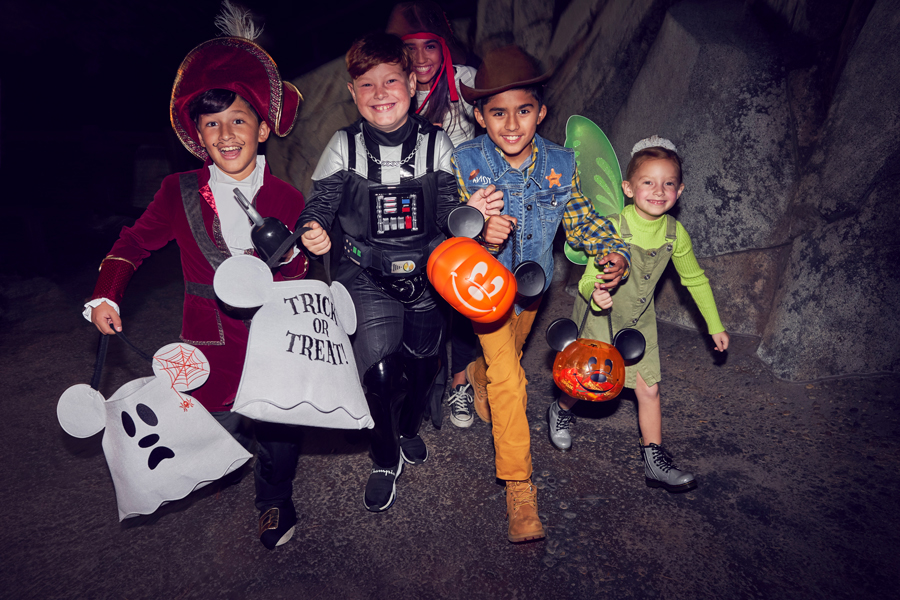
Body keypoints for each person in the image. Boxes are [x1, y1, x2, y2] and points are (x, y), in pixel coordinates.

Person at [84, 3, 307, 550]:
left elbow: (303, 275)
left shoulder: (289, 198)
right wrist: (105, 294)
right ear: (197, 134)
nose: (227, 134)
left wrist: (302, 252)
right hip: (209, 339)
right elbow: (134, 243)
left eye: (238, 120)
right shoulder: (176, 192)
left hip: (274, 335)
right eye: (212, 123)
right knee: (217, 427)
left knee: (278, 432)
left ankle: (275, 501)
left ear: (261, 126)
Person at [298, 32, 486, 512]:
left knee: (423, 364)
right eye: (367, 85)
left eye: (390, 81)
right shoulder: (343, 146)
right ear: (352, 91)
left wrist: (470, 219)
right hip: (366, 276)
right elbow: (318, 205)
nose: (380, 93)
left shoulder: (438, 143)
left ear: (412, 85)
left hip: (427, 277)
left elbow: (449, 210)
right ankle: (384, 454)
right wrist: (313, 228)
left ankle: (408, 428)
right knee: (379, 371)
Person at [451, 45, 631, 543]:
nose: (512, 125)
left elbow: (579, 220)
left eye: (523, 111)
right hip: (483, 293)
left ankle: (474, 374)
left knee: (502, 362)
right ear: (480, 116)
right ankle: (519, 487)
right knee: (512, 381)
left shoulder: (561, 162)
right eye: (498, 113)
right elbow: (444, 239)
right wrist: (475, 229)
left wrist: (611, 251)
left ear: (541, 112)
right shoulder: (465, 163)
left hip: (531, 297)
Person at [546, 136, 730, 493]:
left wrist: (715, 325)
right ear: (629, 189)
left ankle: (654, 460)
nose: (658, 191)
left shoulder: (676, 234)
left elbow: (694, 279)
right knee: (587, 383)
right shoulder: (611, 227)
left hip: (639, 322)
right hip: (599, 317)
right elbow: (586, 281)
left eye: (668, 183)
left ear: (680, 191)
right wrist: (596, 294)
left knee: (649, 389)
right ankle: (562, 408)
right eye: (648, 182)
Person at [386, 0, 480, 428]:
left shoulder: (467, 84)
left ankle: (460, 382)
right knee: (416, 301)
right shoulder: (392, 89)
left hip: (462, 210)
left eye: (431, 46)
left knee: (460, 300)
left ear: (444, 48)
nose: (422, 58)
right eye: (412, 48)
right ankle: (418, 385)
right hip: (412, 213)